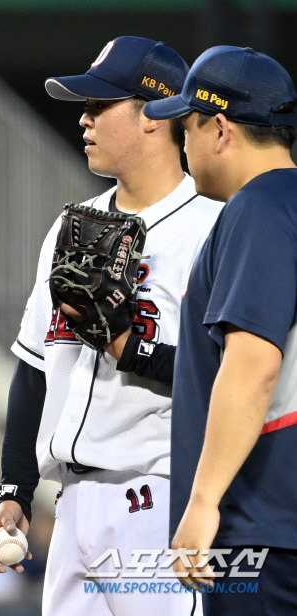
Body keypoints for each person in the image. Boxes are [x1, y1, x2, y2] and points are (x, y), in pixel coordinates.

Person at [0, 36, 223, 615]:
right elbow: (34, 365)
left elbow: (231, 375)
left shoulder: (214, 229)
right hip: (72, 505)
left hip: (158, 502)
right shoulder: (72, 226)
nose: (82, 119)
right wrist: (15, 491)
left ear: (157, 116)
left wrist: (132, 347)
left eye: (99, 106)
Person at [144, 46, 297, 615]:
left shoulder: (260, 207)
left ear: (220, 128)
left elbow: (254, 364)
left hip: (265, 525)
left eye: (186, 125)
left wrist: (204, 501)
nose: (183, 143)